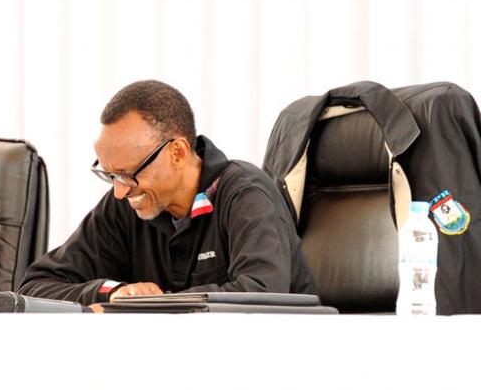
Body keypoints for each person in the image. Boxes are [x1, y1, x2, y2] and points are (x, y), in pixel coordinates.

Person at [18, 80, 315, 305]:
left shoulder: (246, 195)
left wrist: (153, 304)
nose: (120, 191)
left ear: (177, 152)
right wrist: (112, 292)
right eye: (110, 175)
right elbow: (35, 286)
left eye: (129, 173)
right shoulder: (126, 204)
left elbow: (263, 294)